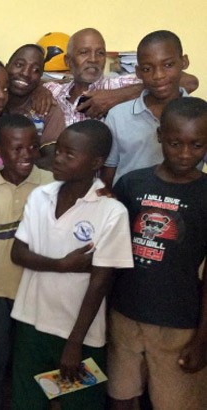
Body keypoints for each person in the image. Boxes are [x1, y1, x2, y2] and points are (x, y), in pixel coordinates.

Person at [9, 120, 134, 410]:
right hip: (32, 322)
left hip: (80, 334)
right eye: (58, 151)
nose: (58, 159)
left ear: (96, 162)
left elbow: (101, 281)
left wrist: (75, 343)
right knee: (28, 401)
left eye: (69, 154)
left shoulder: (111, 211)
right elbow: (18, 253)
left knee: (79, 403)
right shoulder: (40, 196)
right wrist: (62, 265)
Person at [107, 97, 207, 410]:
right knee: (121, 396)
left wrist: (203, 337)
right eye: (176, 143)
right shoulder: (131, 184)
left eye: (197, 144)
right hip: (124, 316)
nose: (186, 153)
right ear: (160, 135)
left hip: (179, 324)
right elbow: (110, 252)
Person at [0, 114, 54, 410]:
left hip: (37, 291)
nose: (26, 155)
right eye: (16, 148)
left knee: (35, 363)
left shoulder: (51, 185)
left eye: (32, 148)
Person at [43, 28, 197, 125]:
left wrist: (117, 95)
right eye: (84, 52)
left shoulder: (119, 84)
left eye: (100, 53)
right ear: (68, 61)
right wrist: (37, 90)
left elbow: (189, 81)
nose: (93, 59)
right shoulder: (52, 91)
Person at [102, 30, 192, 187]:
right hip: (128, 205)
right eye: (147, 69)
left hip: (182, 207)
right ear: (137, 72)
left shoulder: (200, 117)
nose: (158, 75)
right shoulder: (118, 116)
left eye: (168, 65)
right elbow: (108, 175)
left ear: (183, 62)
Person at [4, 44, 66, 170]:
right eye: (19, 65)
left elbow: (51, 160)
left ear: (40, 77)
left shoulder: (47, 108)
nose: (26, 73)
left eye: (35, 70)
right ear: (6, 67)